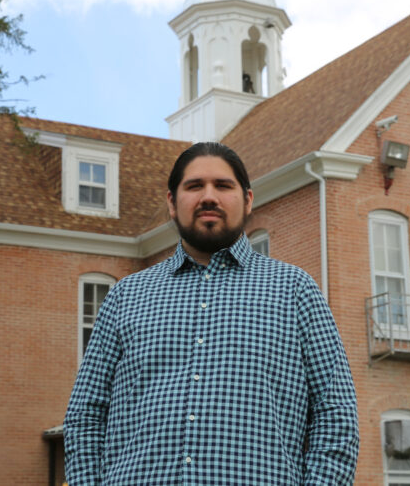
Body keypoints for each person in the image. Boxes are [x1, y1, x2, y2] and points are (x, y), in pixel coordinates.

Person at [64, 142, 360, 485]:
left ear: (248, 200)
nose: (208, 197)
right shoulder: (125, 297)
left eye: (222, 185)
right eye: (194, 186)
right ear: (172, 204)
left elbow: (336, 415)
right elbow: (86, 415)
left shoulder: (295, 291)